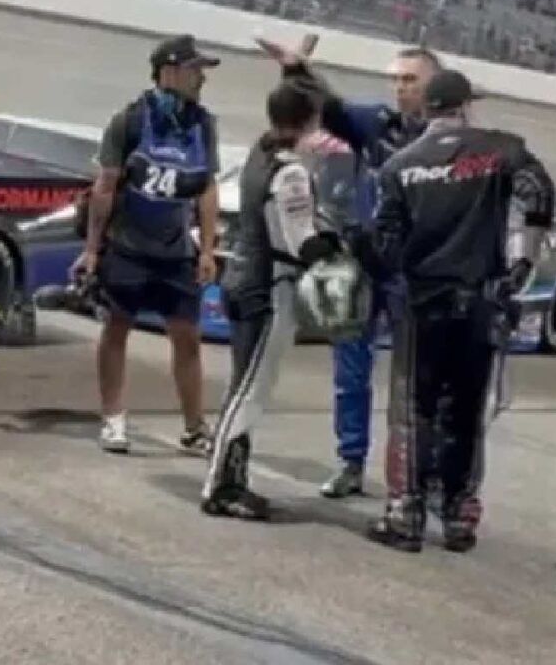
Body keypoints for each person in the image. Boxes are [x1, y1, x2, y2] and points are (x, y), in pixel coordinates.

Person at [355, 69, 555, 553]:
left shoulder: (400, 166)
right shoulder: (502, 148)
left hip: (422, 303)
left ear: (426, 111)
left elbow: (387, 249)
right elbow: (540, 195)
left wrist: (359, 248)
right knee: (465, 411)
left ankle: (405, 512)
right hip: (482, 299)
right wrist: (523, 263)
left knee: (413, 409)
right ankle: (460, 515)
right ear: (466, 106)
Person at [261, 38, 442, 498]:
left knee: (418, 380)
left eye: (410, 80)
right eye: (396, 80)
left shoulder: (448, 143)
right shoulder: (378, 125)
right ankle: (350, 462)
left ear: (435, 86)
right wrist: (299, 69)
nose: (400, 89)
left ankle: (419, 475)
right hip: (361, 264)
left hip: (414, 273)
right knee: (350, 372)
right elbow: (329, 105)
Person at [200, 80, 353, 520]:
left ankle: (232, 479)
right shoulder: (291, 172)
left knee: (243, 387)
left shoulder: (259, 153)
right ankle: (218, 487)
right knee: (250, 393)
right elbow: (300, 241)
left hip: (244, 278)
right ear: (309, 120)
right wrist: (340, 247)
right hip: (267, 288)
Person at [72, 35, 221, 455]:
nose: (201, 79)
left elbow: (207, 188)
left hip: (176, 254)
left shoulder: (203, 124)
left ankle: (194, 428)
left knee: (187, 337)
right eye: (195, 70)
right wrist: (92, 249)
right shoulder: (129, 122)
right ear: (169, 72)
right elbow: (105, 187)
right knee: (116, 329)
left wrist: (207, 249)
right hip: (128, 249)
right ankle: (114, 419)